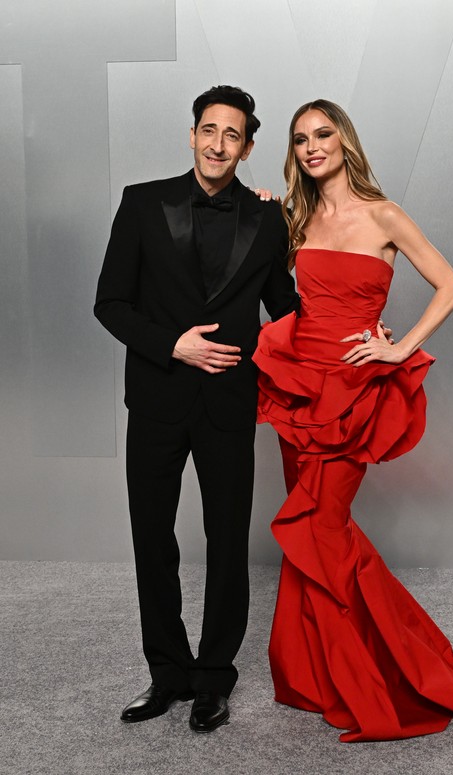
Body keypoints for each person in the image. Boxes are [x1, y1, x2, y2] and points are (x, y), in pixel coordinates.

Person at [252, 99, 453, 742]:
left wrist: (400, 346)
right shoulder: (295, 219)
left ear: (345, 142)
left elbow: (451, 284)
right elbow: (271, 283)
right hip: (299, 389)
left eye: (323, 135)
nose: (312, 147)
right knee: (315, 534)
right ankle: (312, 676)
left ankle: (393, 672)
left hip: (350, 392)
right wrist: (258, 211)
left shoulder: (385, 215)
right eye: (300, 140)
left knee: (319, 526)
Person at [94, 85, 299, 733]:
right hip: (156, 395)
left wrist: (354, 333)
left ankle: (213, 677)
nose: (217, 144)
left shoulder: (269, 219)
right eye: (208, 130)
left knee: (227, 541)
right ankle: (167, 672)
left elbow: (287, 309)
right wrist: (173, 344)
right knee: (152, 539)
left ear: (247, 146)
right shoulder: (141, 202)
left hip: (230, 402)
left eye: (231, 134)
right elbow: (110, 302)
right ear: (192, 135)